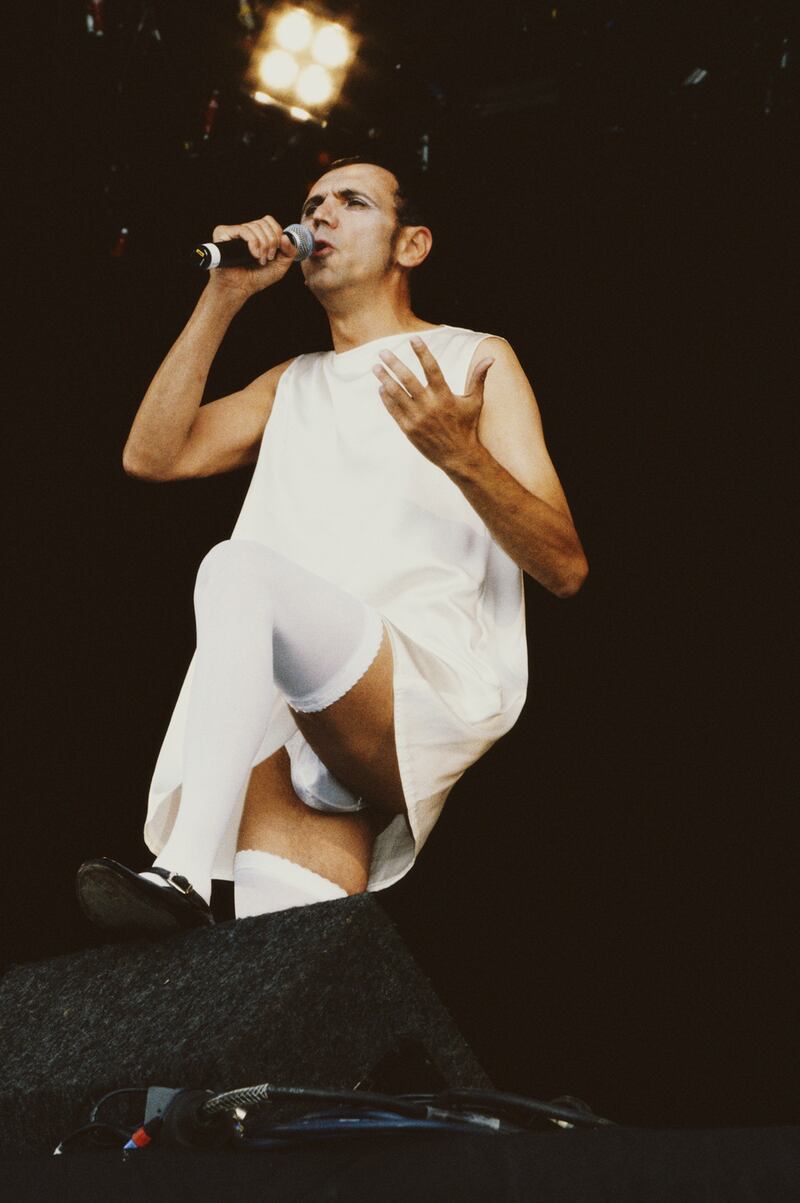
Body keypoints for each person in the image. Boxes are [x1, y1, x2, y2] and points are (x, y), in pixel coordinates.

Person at [76, 156, 588, 935]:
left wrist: (458, 451)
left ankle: (185, 867)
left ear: (410, 245)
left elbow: (564, 565)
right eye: (312, 202)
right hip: (288, 714)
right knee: (269, 997)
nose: (321, 217)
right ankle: (207, 879)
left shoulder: (474, 359)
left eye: (352, 202)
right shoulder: (295, 382)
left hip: (411, 683)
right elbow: (151, 455)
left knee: (236, 568)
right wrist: (225, 294)